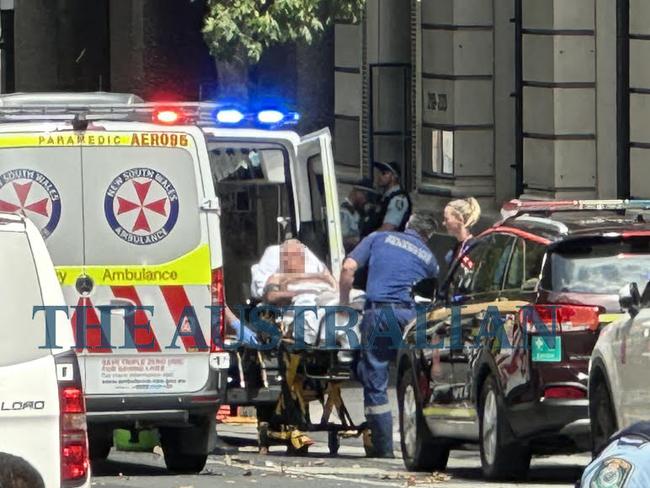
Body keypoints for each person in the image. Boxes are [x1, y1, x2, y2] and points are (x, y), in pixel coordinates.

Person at [339, 212, 439, 458]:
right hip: (412, 318)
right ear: (428, 237)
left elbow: (348, 267)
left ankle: (383, 449)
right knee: (415, 378)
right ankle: (417, 446)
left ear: (408, 225)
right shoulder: (431, 260)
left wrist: (343, 304)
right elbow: (432, 296)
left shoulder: (378, 238)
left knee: (375, 377)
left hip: (379, 315)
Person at [364, 161, 412, 235]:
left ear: (394, 177)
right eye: (379, 173)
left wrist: (367, 240)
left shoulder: (398, 199)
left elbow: (389, 228)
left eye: (384, 173)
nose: (379, 176)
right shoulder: (383, 198)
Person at [340, 177, 377, 253]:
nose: (366, 200)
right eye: (365, 195)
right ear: (357, 192)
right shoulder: (344, 212)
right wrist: (360, 240)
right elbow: (341, 240)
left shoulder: (358, 211)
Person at [442, 197, 481, 264]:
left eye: (447, 219)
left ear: (460, 219)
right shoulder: (456, 249)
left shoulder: (474, 248)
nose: (443, 223)